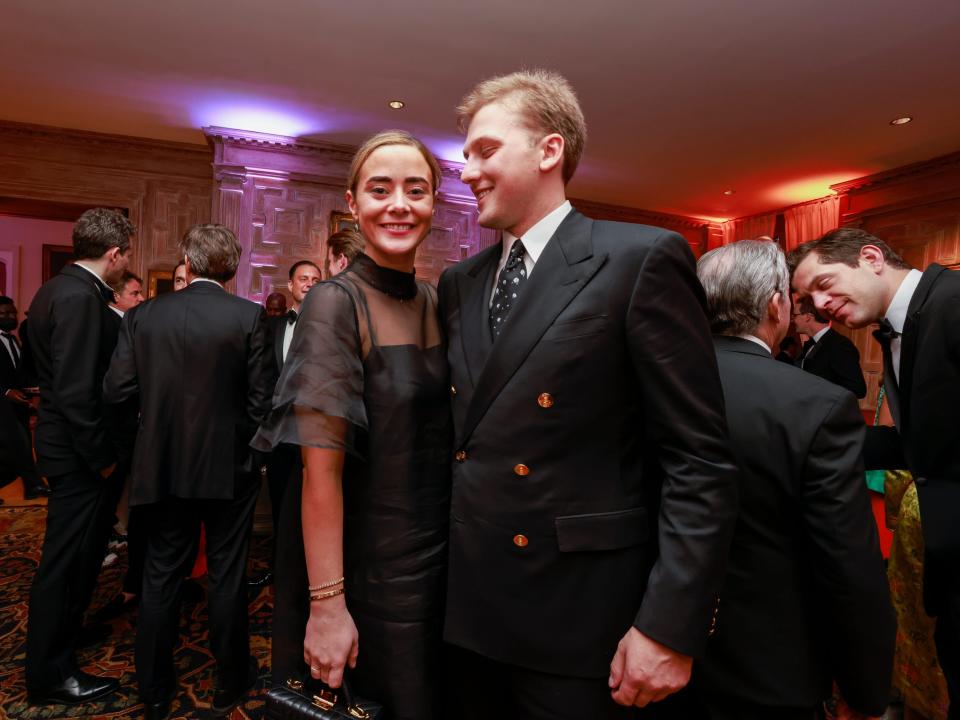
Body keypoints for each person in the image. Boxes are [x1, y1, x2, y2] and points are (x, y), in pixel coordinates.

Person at [436, 69, 737, 719]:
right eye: (464, 155)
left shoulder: (637, 259)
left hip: (581, 617)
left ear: (549, 151)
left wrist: (668, 626)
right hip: (470, 611)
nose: (465, 170)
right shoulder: (458, 281)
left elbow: (699, 462)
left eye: (484, 150)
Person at [252, 130, 450, 719]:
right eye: (380, 189)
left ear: (434, 203)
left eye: (416, 190)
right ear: (353, 202)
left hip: (431, 557)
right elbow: (319, 473)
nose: (399, 204)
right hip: (362, 566)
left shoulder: (437, 299)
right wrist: (328, 607)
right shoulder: (335, 303)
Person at [682, 239, 894, 719]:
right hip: (768, 667)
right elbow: (846, 564)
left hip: (645, 649)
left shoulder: (648, 382)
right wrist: (864, 690)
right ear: (776, 306)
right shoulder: (813, 405)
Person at [103, 224, 274, 720]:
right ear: (231, 268)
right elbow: (263, 402)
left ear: (190, 264)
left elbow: (116, 393)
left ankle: (154, 688)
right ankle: (230, 681)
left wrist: (140, 441)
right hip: (229, 470)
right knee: (227, 575)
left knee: (159, 575)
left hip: (160, 467)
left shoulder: (143, 317)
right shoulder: (249, 317)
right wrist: (254, 459)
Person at [789, 227, 960, 718]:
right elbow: (918, 443)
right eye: (807, 298)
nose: (819, 304)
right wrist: (803, 448)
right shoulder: (899, 329)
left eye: (824, 283)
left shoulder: (951, 303)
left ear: (871, 257)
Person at [25, 207, 134, 705]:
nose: (125, 262)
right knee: (66, 563)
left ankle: (63, 641)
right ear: (113, 254)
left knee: (79, 557)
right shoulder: (80, 298)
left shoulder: (54, 289)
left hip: (63, 445)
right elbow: (75, 391)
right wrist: (102, 459)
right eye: (126, 254)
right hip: (78, 454)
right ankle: (50, 672)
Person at [249, 259, 322, 594]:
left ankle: (316, 575)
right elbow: (261, 378)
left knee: (320, 505)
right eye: (303, 278)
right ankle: (281, 570)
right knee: (281, 504)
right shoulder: (272, 327)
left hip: (319, 435)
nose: (308, 283)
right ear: (290, 285)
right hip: (279, 435)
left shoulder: (330, 325)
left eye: (315, 279)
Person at [0, 296, 48, 499]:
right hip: (3, 402)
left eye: (13, 312)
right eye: (6, 313)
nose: (12, 316)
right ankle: (32, 484)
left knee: (22, 444)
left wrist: (32, 388)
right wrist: (5, 392)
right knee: (14, 447)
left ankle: (32, 485)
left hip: (17, 403)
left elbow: (17, 371)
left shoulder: (13, 339)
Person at [792, 296, 866, 398]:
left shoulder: (839, 345)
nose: (792, 320)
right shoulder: (810, 344)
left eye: (795, 315)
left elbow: (857, 389)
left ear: (808, 317)